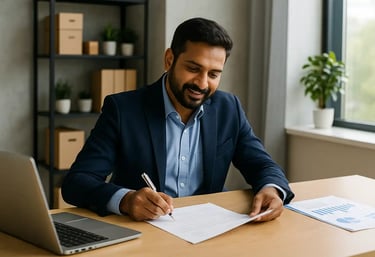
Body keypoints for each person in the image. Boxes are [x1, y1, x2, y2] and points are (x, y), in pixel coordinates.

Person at [62, 17, 294, 222]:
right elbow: (77, 182)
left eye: (213, 74)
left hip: (207, 229)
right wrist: (126, 200)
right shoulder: (123, 109)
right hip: (145, 233)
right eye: (193, 69)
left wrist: (272, 190)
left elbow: (262, 164)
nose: (202, 83)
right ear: (169, 59)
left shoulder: (228, 108)